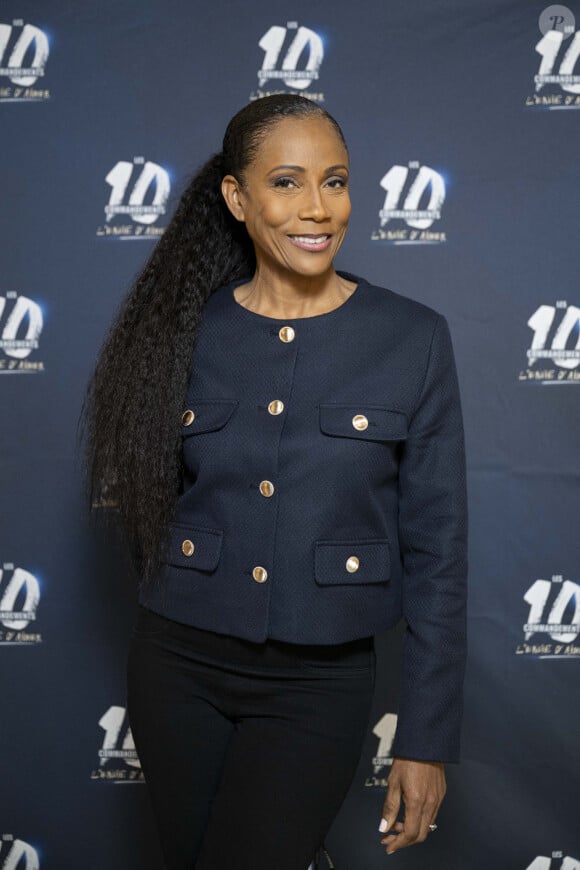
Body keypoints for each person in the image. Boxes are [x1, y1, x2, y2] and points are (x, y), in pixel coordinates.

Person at [81, 93, 468, 869]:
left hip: (318, 684)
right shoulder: (181, 332)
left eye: (336, 180)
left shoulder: (413, 338)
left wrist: (426, 739)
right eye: (287, 182)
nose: (318, 208)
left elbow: (439, 555)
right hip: (177, 668)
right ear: (237, 197)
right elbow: (143, 515)